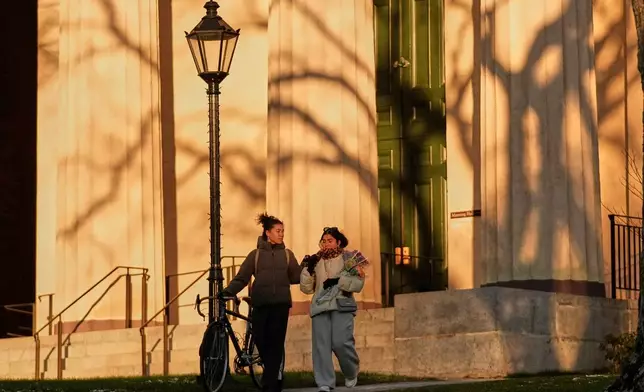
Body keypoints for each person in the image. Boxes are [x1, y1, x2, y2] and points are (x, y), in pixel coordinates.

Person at [222, 213, 301, 392]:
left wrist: (307, 269)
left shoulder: (288, 255)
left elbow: (296, 277)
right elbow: (242, 278)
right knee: (262, 341)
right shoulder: (255, 255)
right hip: (260, 304)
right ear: (267, 232)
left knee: (276, 343)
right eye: (278, 231)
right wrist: (227, 292)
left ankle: (270, 384)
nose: (281, 234)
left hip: (280, 305)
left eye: (282, 231)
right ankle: (272, 377)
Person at [299, 227, 367, 392]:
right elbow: (306, 289)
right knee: (321, 347)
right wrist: (307, 272)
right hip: (320, 307)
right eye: (324, 241)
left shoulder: (349, 258)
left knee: (341, 343)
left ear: (338, 242)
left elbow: (358, 283)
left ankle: (351, 372)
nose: (326, 244)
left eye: (330, 240)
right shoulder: (316, 260)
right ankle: (324, 382)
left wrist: (338, 281)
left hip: (342, 306)